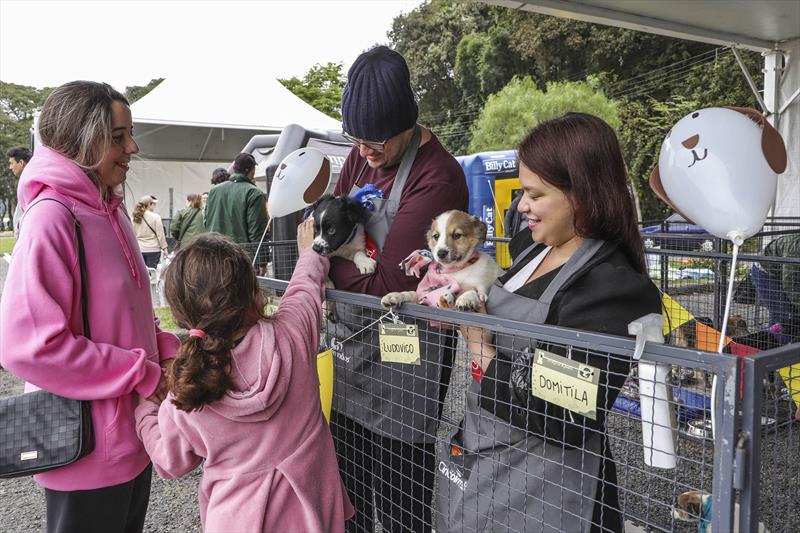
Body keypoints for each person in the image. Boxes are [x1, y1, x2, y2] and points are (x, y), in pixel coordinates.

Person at [436, 113, 662, 533]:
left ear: (580, 195)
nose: (521, 206)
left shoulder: (610, 287)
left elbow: (565, 416)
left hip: (548, 487)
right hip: (489, 454)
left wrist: (480, 347)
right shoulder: (529, 249)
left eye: (535, 195)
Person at [0, 80, 177, 533]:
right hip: (82, 450)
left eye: (129, 134)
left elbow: (130, 317)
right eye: (118, 137)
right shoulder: (52, 218)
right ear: (81, 139)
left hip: (133, 437)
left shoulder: (112, 209)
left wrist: (170, 352)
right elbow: (29, 347)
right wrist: (144, 372)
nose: (132, 147)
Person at [327, 45, 469, 532]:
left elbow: (387, 284)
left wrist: (331, 263)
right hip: (348, 350)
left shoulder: (437, 177)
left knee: (399, 493)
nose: (364, 153)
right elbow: (334, 232)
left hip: (405, 360)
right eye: (356, 139)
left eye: (376, 142)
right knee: (347, 492)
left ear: (408, 123)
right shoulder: (360, 156)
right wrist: (341, 260)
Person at [135, 227, 354, 532]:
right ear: (253, 292)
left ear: (183, 315)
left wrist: (145, 410)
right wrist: (311, 252)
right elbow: (305, 285)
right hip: (312, 517)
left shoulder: (186, 391)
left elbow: (170, 462)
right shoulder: (293, 335)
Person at [204, 153, 268, 265]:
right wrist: (261, 262)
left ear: (234, 168)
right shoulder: (254, 193)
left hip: (213, 254)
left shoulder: (214, 191)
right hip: (240, 258)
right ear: (252, 170)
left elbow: (206, 221)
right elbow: (257, 231)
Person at [132, 195, 168, 268]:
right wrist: (165, 248)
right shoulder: (156, 217)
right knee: (152, 273)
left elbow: (132, 234)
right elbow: (160, 235)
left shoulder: (134, 217)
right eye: (153, 204)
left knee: (142, 272)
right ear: (149, 204)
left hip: (139, 249)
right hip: (153, 249)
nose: (154, 206)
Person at [7, 146, 32, 236]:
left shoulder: (29, 183)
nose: (10, 167)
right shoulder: (26, 180)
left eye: (12, 163)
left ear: (21, 162)